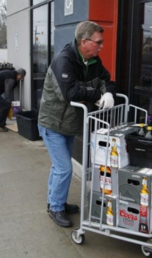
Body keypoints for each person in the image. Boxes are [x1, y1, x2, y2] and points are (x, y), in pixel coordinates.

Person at [38, 21, 116, 227]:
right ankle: (55, 208)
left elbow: (107, 79)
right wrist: (98, 95)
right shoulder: (64, 60)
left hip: (70, 124)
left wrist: (108, 92)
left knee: (59, 168)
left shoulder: (93, 61)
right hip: (53, 124)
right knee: (64, 169)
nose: (101, 46)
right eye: (98, 42)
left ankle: (57, 202)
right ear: (84, 41)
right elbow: (69, 93)